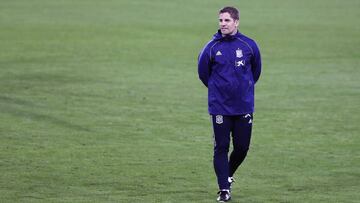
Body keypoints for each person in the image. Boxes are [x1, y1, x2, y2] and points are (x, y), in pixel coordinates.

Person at [197, 6, 261, 202]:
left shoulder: (249, 45)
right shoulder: (211, 47)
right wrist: (219, 90)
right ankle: (224, 189)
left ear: (236, 22)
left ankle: (227, 175)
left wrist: (243, 90)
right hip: (220, 107)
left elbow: (256, 72)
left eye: (226, 21)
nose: (222, 24)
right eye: (220, 21)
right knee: (221, 147)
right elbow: (203, 73)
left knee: (242, 147)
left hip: (243, 106)